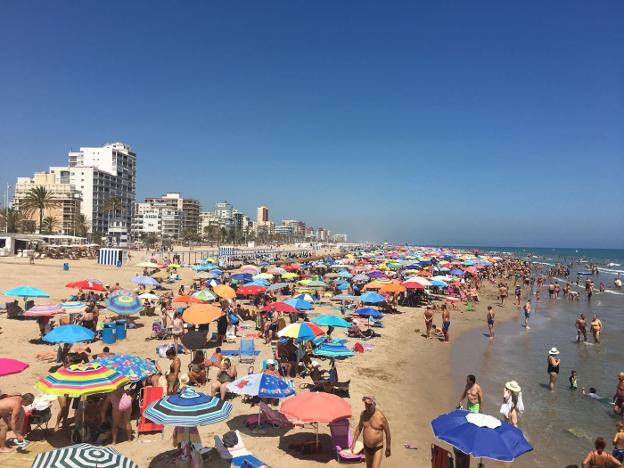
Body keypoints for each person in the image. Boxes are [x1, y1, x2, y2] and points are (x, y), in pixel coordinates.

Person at [351, 396, 391, 468]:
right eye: (366, 404)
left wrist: (388, 448)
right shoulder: (363, 414)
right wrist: (353, 443)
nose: (368, 407)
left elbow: (387, 433)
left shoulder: (381, 417)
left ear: (374, 404)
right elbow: (359, 428)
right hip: (366, 447)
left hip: (377, 448)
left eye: (370, 405)